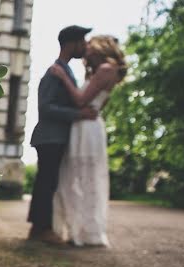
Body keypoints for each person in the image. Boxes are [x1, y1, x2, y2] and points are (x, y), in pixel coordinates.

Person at [48, 35, 127, 246]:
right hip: (85, 125)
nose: (86, 49)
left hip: (87, 128)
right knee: (80, 177)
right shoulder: (102, 71)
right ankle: (80, 231)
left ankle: (85, 233)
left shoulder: (106, 70)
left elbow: (81, 100)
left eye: (90, 45)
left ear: (100, 47)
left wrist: (63, 77)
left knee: (84, 178)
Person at [27, 25, 98, 244]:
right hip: (49, 137)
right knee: (46, 182)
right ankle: (41, 229)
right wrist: (79, 114)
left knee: (49, 182)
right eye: (83, 41)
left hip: (55, 136)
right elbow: (46, 107)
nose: (85, 46)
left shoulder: (64, 70)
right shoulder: (54, 71)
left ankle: (39, 228)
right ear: (71, 43)